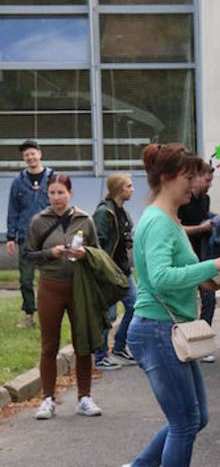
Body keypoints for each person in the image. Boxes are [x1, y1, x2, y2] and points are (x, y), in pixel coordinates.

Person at [126, 143, 220, 467]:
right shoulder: (160, 222)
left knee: (196, 418)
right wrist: (214, 264)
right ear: (166, 178)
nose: (194, 184)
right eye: (188, 177)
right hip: (158, 330)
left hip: (169, 328)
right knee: (185, 423)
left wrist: (210, 280)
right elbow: (161, 278)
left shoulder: (168, 219)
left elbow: (173, 273)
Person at [26, 172, 103, 420]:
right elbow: (28, 255)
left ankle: (84, 397)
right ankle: (48, 399)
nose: (57, 198)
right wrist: (51, 253)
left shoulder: (85, 220)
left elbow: (97, 253)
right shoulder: (39, 221)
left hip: (78, 288)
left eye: (61, 193)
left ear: (70, 193)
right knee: (49, 344)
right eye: (52, 193)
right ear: (47, 194)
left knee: (83, 342)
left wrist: (85, 254)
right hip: (50, 286)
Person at [5, 139, 54, 328]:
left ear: (39, 154)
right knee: (26, 279)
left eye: (33, 153)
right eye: (26, 154)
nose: (30, 157)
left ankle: (51, 312)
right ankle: (29, 314)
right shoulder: (18, 182)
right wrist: (11, 237)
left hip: (49, 234)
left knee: (51, 276)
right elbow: (13, 210)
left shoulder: (52, 177)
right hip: (25, 236)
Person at [92, 173, 137, 370]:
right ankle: (101, 356)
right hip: (108, 272)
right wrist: (102, 269)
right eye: (129, 186)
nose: (132, 189)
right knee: (107, 316)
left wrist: (127, 241)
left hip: (123, 270)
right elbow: (96, 242)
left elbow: (120, 235)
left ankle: (119, 347)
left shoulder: (122, 212)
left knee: (135, 306)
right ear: (118, 189)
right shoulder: (104, 213)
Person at [177, 162, 218, 362]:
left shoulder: (205, 199)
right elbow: (177, 229)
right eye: (207, 180)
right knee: (186, 303)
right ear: (196, 178)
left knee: (209, 299)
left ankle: (202, 343)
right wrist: (201, 228)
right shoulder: (181, 201)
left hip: (202, 254)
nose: (209, 185)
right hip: (184, 258)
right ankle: (183, 342)